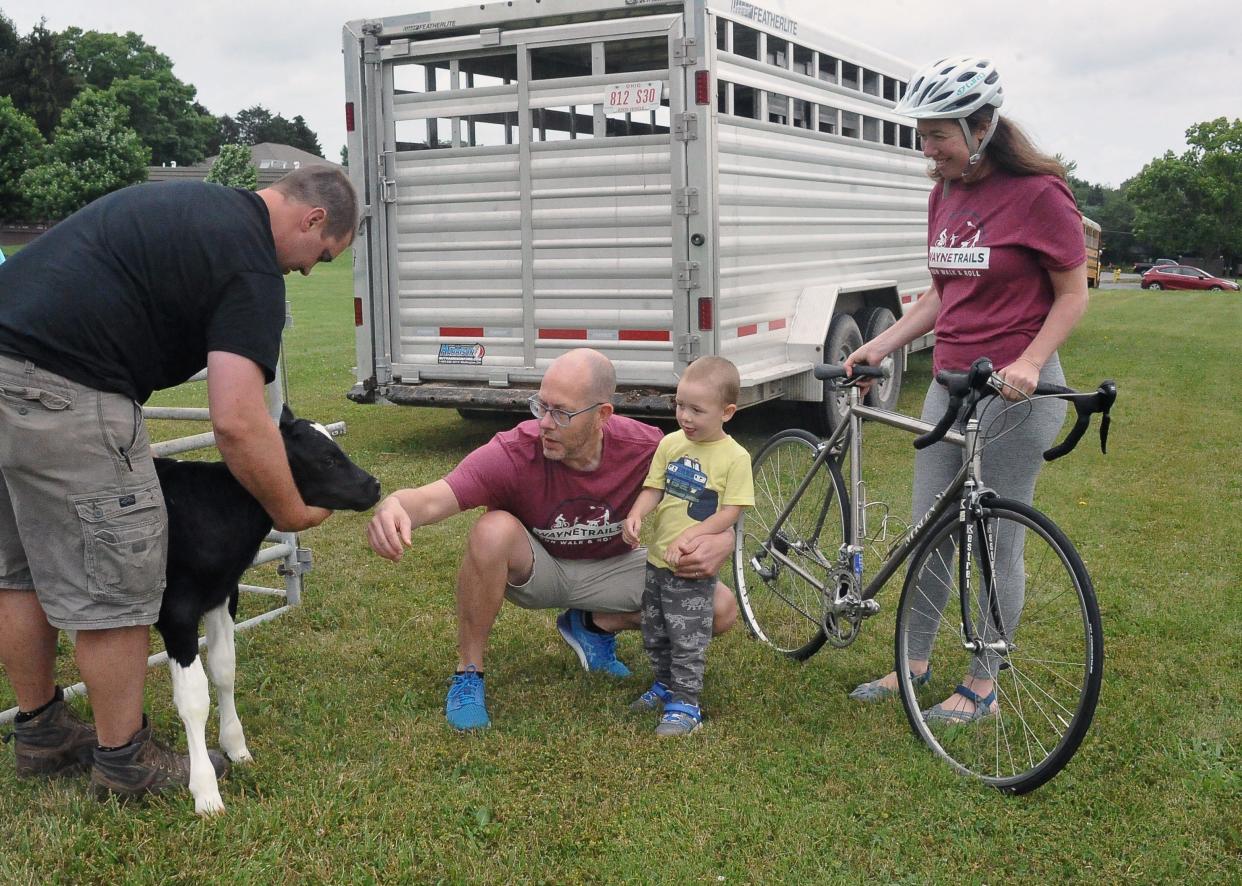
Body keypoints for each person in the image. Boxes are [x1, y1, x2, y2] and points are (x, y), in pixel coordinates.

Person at [0, 166, 358, 800]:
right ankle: (124, 762)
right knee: (118, 582)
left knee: (19, 567)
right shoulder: (250, 262)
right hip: (67, 389)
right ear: (314, 219)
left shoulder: (194, 205)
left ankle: (42, 733)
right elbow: (239, 422)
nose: (307, 270)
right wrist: (291, 511)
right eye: (320, 256)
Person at [842, 56, 1089, 722]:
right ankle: (914, 664)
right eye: (922, 135)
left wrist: (1033, 361)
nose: (928, 149)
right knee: (930, 530)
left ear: (981, 127)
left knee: (993, 538)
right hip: (952, 382)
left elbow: (1072, 295)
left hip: (1016, 393)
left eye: (938, 136)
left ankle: (984, 682)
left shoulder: (1040, 195)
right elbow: (943, 294)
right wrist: (881, 344)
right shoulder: (943, 192)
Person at [366, 348, 739, 731]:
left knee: (720, 608)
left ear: (602, 416)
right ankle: (469, 673)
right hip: (539, 568)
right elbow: (431, 498)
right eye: (540, 407)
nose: (545, 423)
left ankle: (594, 626)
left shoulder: (648, 449)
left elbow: (708, 501)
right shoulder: (513, 451)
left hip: (613, 567)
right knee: (491, 530)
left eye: (561, 412)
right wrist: (396, 505)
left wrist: (722, 539)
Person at [622, 357, 752, 736]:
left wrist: (694, 536)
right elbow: (655, 488)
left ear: (727, 412)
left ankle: (686, 703)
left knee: (688, 636)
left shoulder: (735, 457)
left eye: (697, 409)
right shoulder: (670, 444)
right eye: (680, 405)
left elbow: (731, 512)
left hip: (691, 567)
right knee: (655, 629)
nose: (686, 417)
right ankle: (664, 685)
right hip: (659, 562)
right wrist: (637, 513)